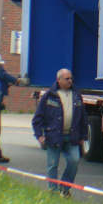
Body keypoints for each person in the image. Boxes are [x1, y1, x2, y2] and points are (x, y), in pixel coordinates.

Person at [31, 68, 87, 197]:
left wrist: (83, 135)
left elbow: (83, 117)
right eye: (67, 79)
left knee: (74, 161)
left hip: (72, 136)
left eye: (71, 78)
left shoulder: (76, 95)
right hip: (54, 136)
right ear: (59, 80)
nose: (70, 81)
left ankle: (65, 188)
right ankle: (53, 191)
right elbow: (37, 119)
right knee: (52, 164)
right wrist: (39, 135)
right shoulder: (49, 96)